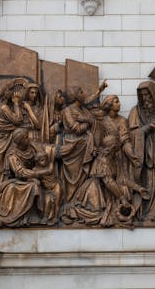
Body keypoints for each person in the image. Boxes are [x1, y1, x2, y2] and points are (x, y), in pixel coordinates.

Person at [0, 128, 53, 227]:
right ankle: (6, 217)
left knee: (35, 184)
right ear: (20, 142)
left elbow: (44, 152)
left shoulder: (32, 146)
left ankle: (33, 217)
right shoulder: (12, 154)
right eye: (26, 138)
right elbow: (20, 172)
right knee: (14, 188)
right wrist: (40, 173)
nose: (28, 139)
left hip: (32, 178)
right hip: (14, 180)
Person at [128, 81, 155, 221]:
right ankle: (150, 210)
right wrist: (148, 128)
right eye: (142, 95)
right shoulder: (135, 111)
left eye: (148, 94)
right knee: (149, 178)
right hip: (146, 151)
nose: (145, 98)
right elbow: (133, 132)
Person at [59, 86, 97, 223]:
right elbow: (76, 128)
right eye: (80, 91)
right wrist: (87, 122)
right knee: (73, 180)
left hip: (83, 148)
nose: (83, 93)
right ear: (75, 95)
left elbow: (89, 100)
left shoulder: (82, 109)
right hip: (73, 148)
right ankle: (67, 209)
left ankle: (78, 206)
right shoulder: (68, 110)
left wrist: (99, 90)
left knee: (82, 178)